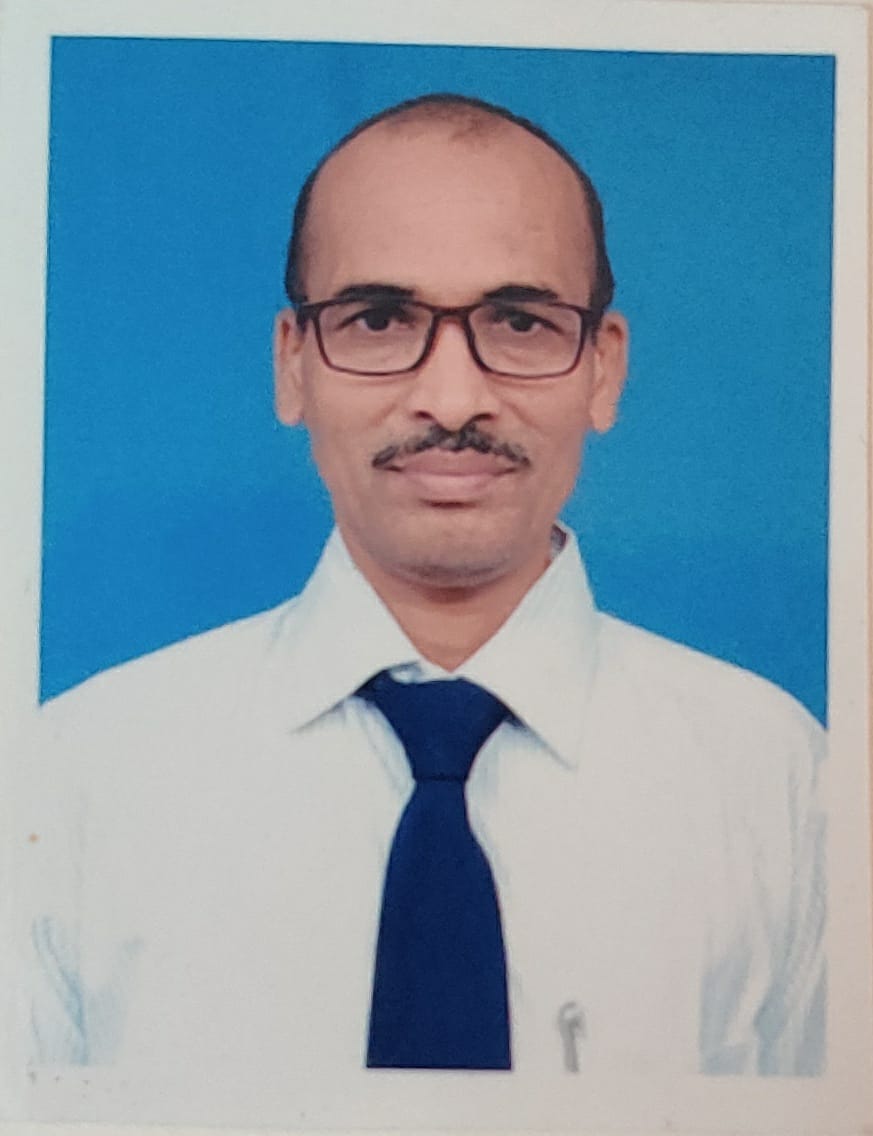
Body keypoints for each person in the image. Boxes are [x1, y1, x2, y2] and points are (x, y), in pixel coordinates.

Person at [20, 93, 824, 1126]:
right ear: (292, 364)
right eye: (379, 319)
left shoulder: (783, 786)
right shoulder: (72, 779)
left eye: (520, 322)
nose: (451, 400)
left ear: (605, 368)